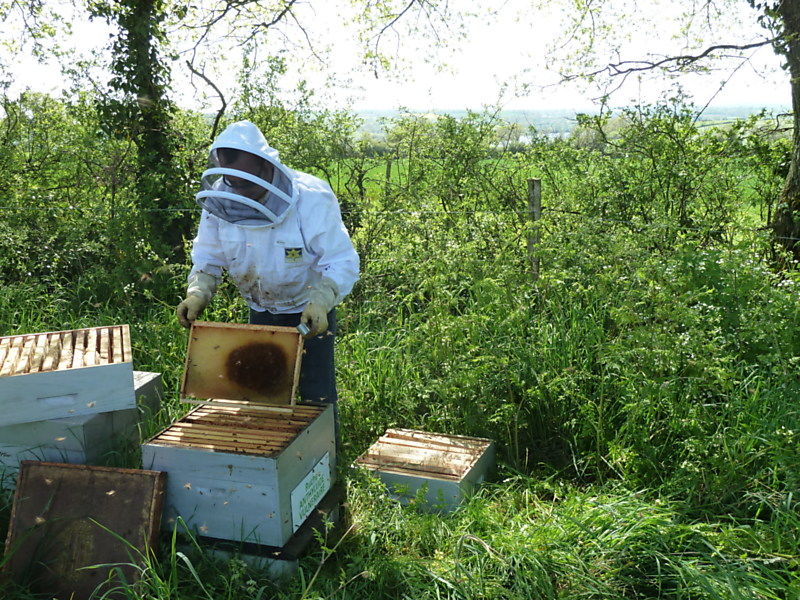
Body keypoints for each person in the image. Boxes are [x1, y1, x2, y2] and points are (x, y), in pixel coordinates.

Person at [176, 120, 359, 413]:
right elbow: (208, 256)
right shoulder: (221, 199)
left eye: (246, 183)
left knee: (316, 394)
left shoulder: (310, 196)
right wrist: (198, 292)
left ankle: (324, 456)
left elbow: (340, 261)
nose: (241, 192)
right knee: (262, 393)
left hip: (308, 312)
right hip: (260, 309)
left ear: (265, 166)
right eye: (233, 181)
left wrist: (322, 300)